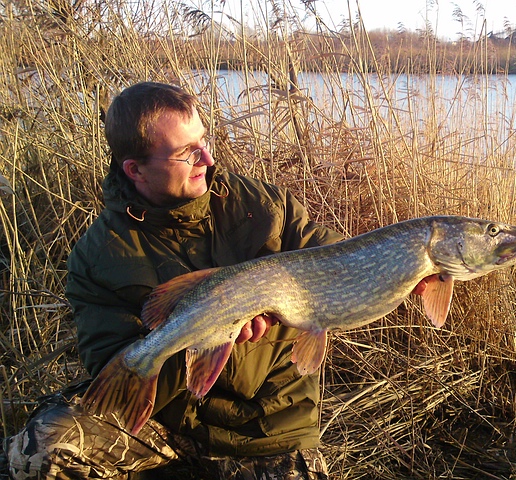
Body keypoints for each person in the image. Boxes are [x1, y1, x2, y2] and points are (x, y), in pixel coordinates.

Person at [2, 82, 343, 479]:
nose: (207, 159)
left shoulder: (263, 205)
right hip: (169, 421)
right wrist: (204, 334)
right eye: (186, 152)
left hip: (267, 424)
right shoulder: (98, 255)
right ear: (135, 169)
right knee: (39, 452)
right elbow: (111, 365)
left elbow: (337, 257)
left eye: (204, 140)